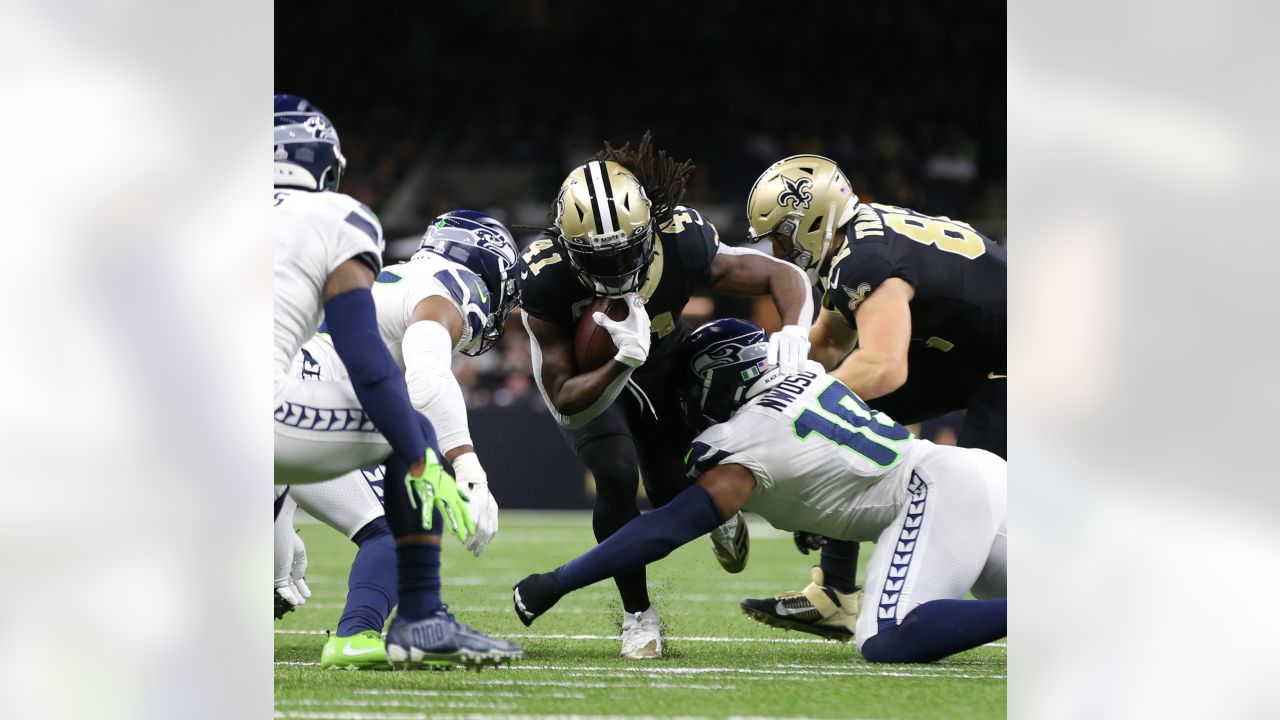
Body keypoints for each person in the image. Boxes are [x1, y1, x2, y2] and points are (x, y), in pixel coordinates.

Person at [512, 319, 1006, 664]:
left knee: (886, 639)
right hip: (976, 477)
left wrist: (557, 581)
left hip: (936, 494)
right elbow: (832, 472)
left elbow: (663, 530)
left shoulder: (743, 441)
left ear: (719, 377)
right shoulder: (807, 374)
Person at [517, 133, 813, 658]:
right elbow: (564, 396)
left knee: (671, 490)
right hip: (593, 384)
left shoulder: (682, 239)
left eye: (625, 253)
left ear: (650, 227)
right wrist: (618, 362)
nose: (613, 272)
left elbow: (780, 273)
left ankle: (712, 507)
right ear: (567, 244)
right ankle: (637, 615)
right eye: (597, 259)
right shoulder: (545, 278)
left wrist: (794, 329)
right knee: (613, 472)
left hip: (665, 365)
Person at [272, 94, 520, 668]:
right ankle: (418, 620)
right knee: (409, 440)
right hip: (277, 403)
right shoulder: (347, 223)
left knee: (277, 568)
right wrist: (459, 466)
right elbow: (412, 374)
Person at [737, 155, 1006, 641]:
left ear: (813, 220)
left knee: (982, 489)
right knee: (861, 416)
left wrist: (796, 409)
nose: (777, 249)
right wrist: (764, 387)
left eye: (781, 235)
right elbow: (830, 342)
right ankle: (836, 591)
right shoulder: (853, 243)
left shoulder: (865, 258)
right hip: (974, 346)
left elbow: (883, 366)